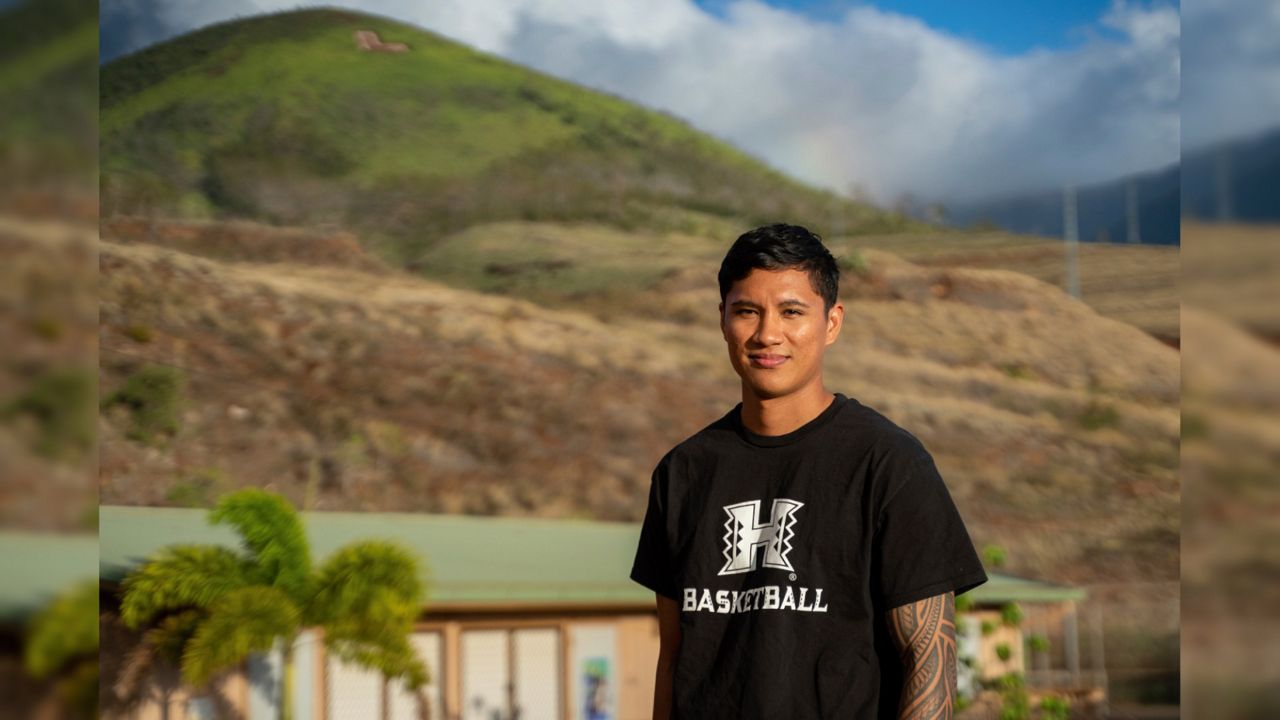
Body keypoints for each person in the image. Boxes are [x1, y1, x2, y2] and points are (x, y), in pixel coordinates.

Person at [630, 223, 989, 719]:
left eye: (791, 311)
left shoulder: (888, 463)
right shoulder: (683, 473)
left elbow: (928, 657)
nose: (766, 334)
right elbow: (672, 659)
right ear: (722, 319)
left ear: (832, 323)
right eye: (747, 311)